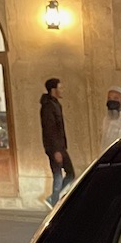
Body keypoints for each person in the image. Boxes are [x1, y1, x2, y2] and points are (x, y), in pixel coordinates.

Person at [39, 77, 71, 208]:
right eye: (60, 87)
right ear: (53, 89)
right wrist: (56, 150)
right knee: (58, 174)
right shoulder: (48, 107)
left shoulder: (56, 104)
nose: (62, 90)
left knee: (69, 173)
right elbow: (50, 129)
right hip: (55, 147)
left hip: (60, 146)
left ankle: (54, 199)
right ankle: (54, 200)